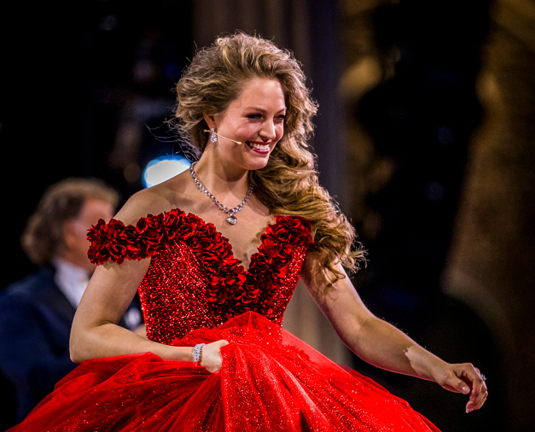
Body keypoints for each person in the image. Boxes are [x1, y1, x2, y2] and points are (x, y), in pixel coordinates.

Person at [9, 33, 487, 431]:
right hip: (173, 403)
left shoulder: (294, 209)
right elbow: (87, 337)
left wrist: (434, 365)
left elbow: (359, 326)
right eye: (255, 116)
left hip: (277, 401)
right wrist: (187, 355)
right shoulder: (152, 207)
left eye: (279, 118)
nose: (271, 132)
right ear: (211, 118)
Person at [0, 179, 144, 424]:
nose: (115, 231)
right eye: (104, 222)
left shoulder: (121, 292)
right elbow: (36, 377)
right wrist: (120, 349)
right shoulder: (20, 301)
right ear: (68, 235)